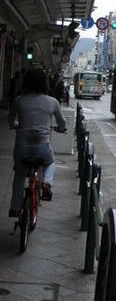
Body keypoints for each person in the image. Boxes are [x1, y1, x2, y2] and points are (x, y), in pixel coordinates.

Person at [8, 68, 66, 217]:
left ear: (25, 82)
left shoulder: (18, 100)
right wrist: (60, 128)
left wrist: (16, 124)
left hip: (21, 147)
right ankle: (46, 182)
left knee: (20, 175)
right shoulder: (52, 102)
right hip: (42, 147)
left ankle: (15, 208)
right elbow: (62, 123)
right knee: (51, 162)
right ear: (45, 83)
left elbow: (11, 120)